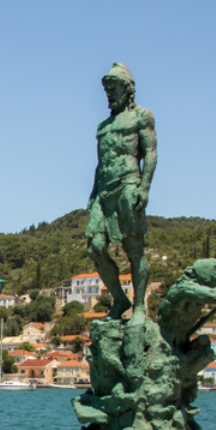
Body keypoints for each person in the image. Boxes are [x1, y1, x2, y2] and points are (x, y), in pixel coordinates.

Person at [86, 62, 157, 317]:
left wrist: (145, 186)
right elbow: (99, 163)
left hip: (128, 183)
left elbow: (150, 152)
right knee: (95, 246)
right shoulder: (102, 126)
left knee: (134, 249)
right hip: (103, 191)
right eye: (107, 89)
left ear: (127, 89)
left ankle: (139, 307)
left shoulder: (142, 116)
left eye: (114, 88)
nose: (109, 94)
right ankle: (120, 299)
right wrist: (93, 194)